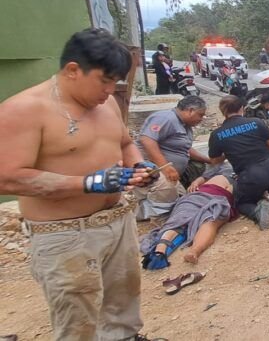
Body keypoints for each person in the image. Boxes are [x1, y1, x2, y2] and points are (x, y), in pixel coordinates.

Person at [0, 28, 157, 340]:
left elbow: (125, 142)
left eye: (116, 82)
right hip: (65, 234)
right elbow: (8, 176)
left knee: (123, 302)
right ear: (73, 70)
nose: (110, 89)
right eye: (104, 80)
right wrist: (88, 183)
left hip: (116, 221)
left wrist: (139, 164)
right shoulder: (25, 109)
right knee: (78, 317)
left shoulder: (107, 103)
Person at [208, 95, 269, 230]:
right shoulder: (256, 122)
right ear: (242, 108)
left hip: (252, 175)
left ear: (222, 111)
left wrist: (227, 152)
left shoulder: (217, 134)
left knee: (242, 202)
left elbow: (214, 160)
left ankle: (257, 211)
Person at [140, 168, 237, 268]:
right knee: (182, 219)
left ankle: (194, 251)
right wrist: (195, 183)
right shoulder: (225, 167)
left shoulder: (246, 171)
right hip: (200, 194)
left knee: (210, 220)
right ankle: (160, 250)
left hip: (221, 199)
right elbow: (203, 177)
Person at [133, 95, 211, 219]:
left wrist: (208, 160)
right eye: (200, 115)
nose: (202, 118)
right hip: (153, 169)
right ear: (190, 110)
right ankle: (143, 213)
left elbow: (185, 149)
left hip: (171, 173)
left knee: (183, 198)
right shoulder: (166, 118)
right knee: (167, 199)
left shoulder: (185, 126)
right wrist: (165, 167)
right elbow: (147, 140)